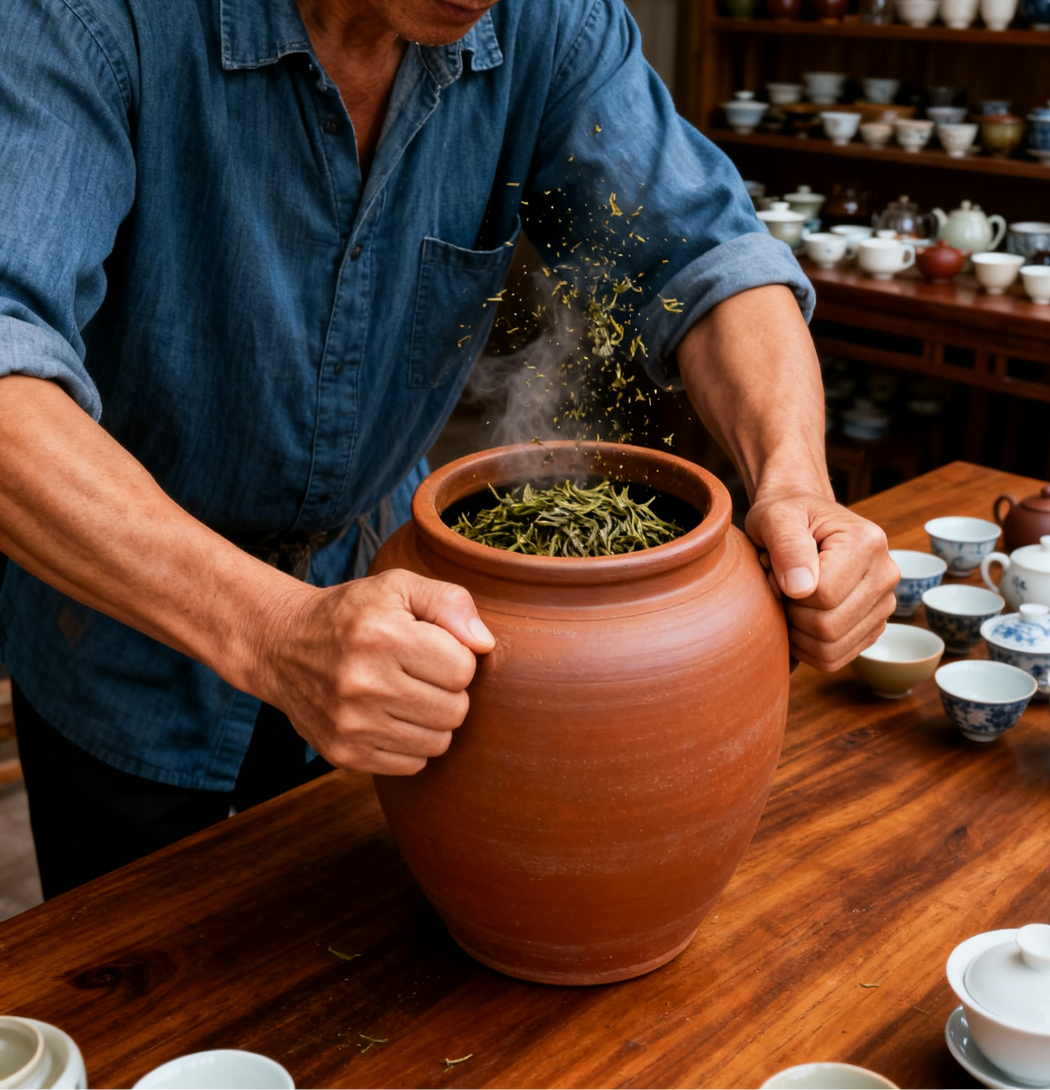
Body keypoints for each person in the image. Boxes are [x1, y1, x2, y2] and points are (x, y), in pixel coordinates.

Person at [0, 0, 898, 897]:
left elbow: (711, 257)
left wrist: (796, 481)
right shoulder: (88, 19)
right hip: (127, 639)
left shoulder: (547, 25)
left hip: (401, 632)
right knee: (149, 1002)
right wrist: (275, 630)